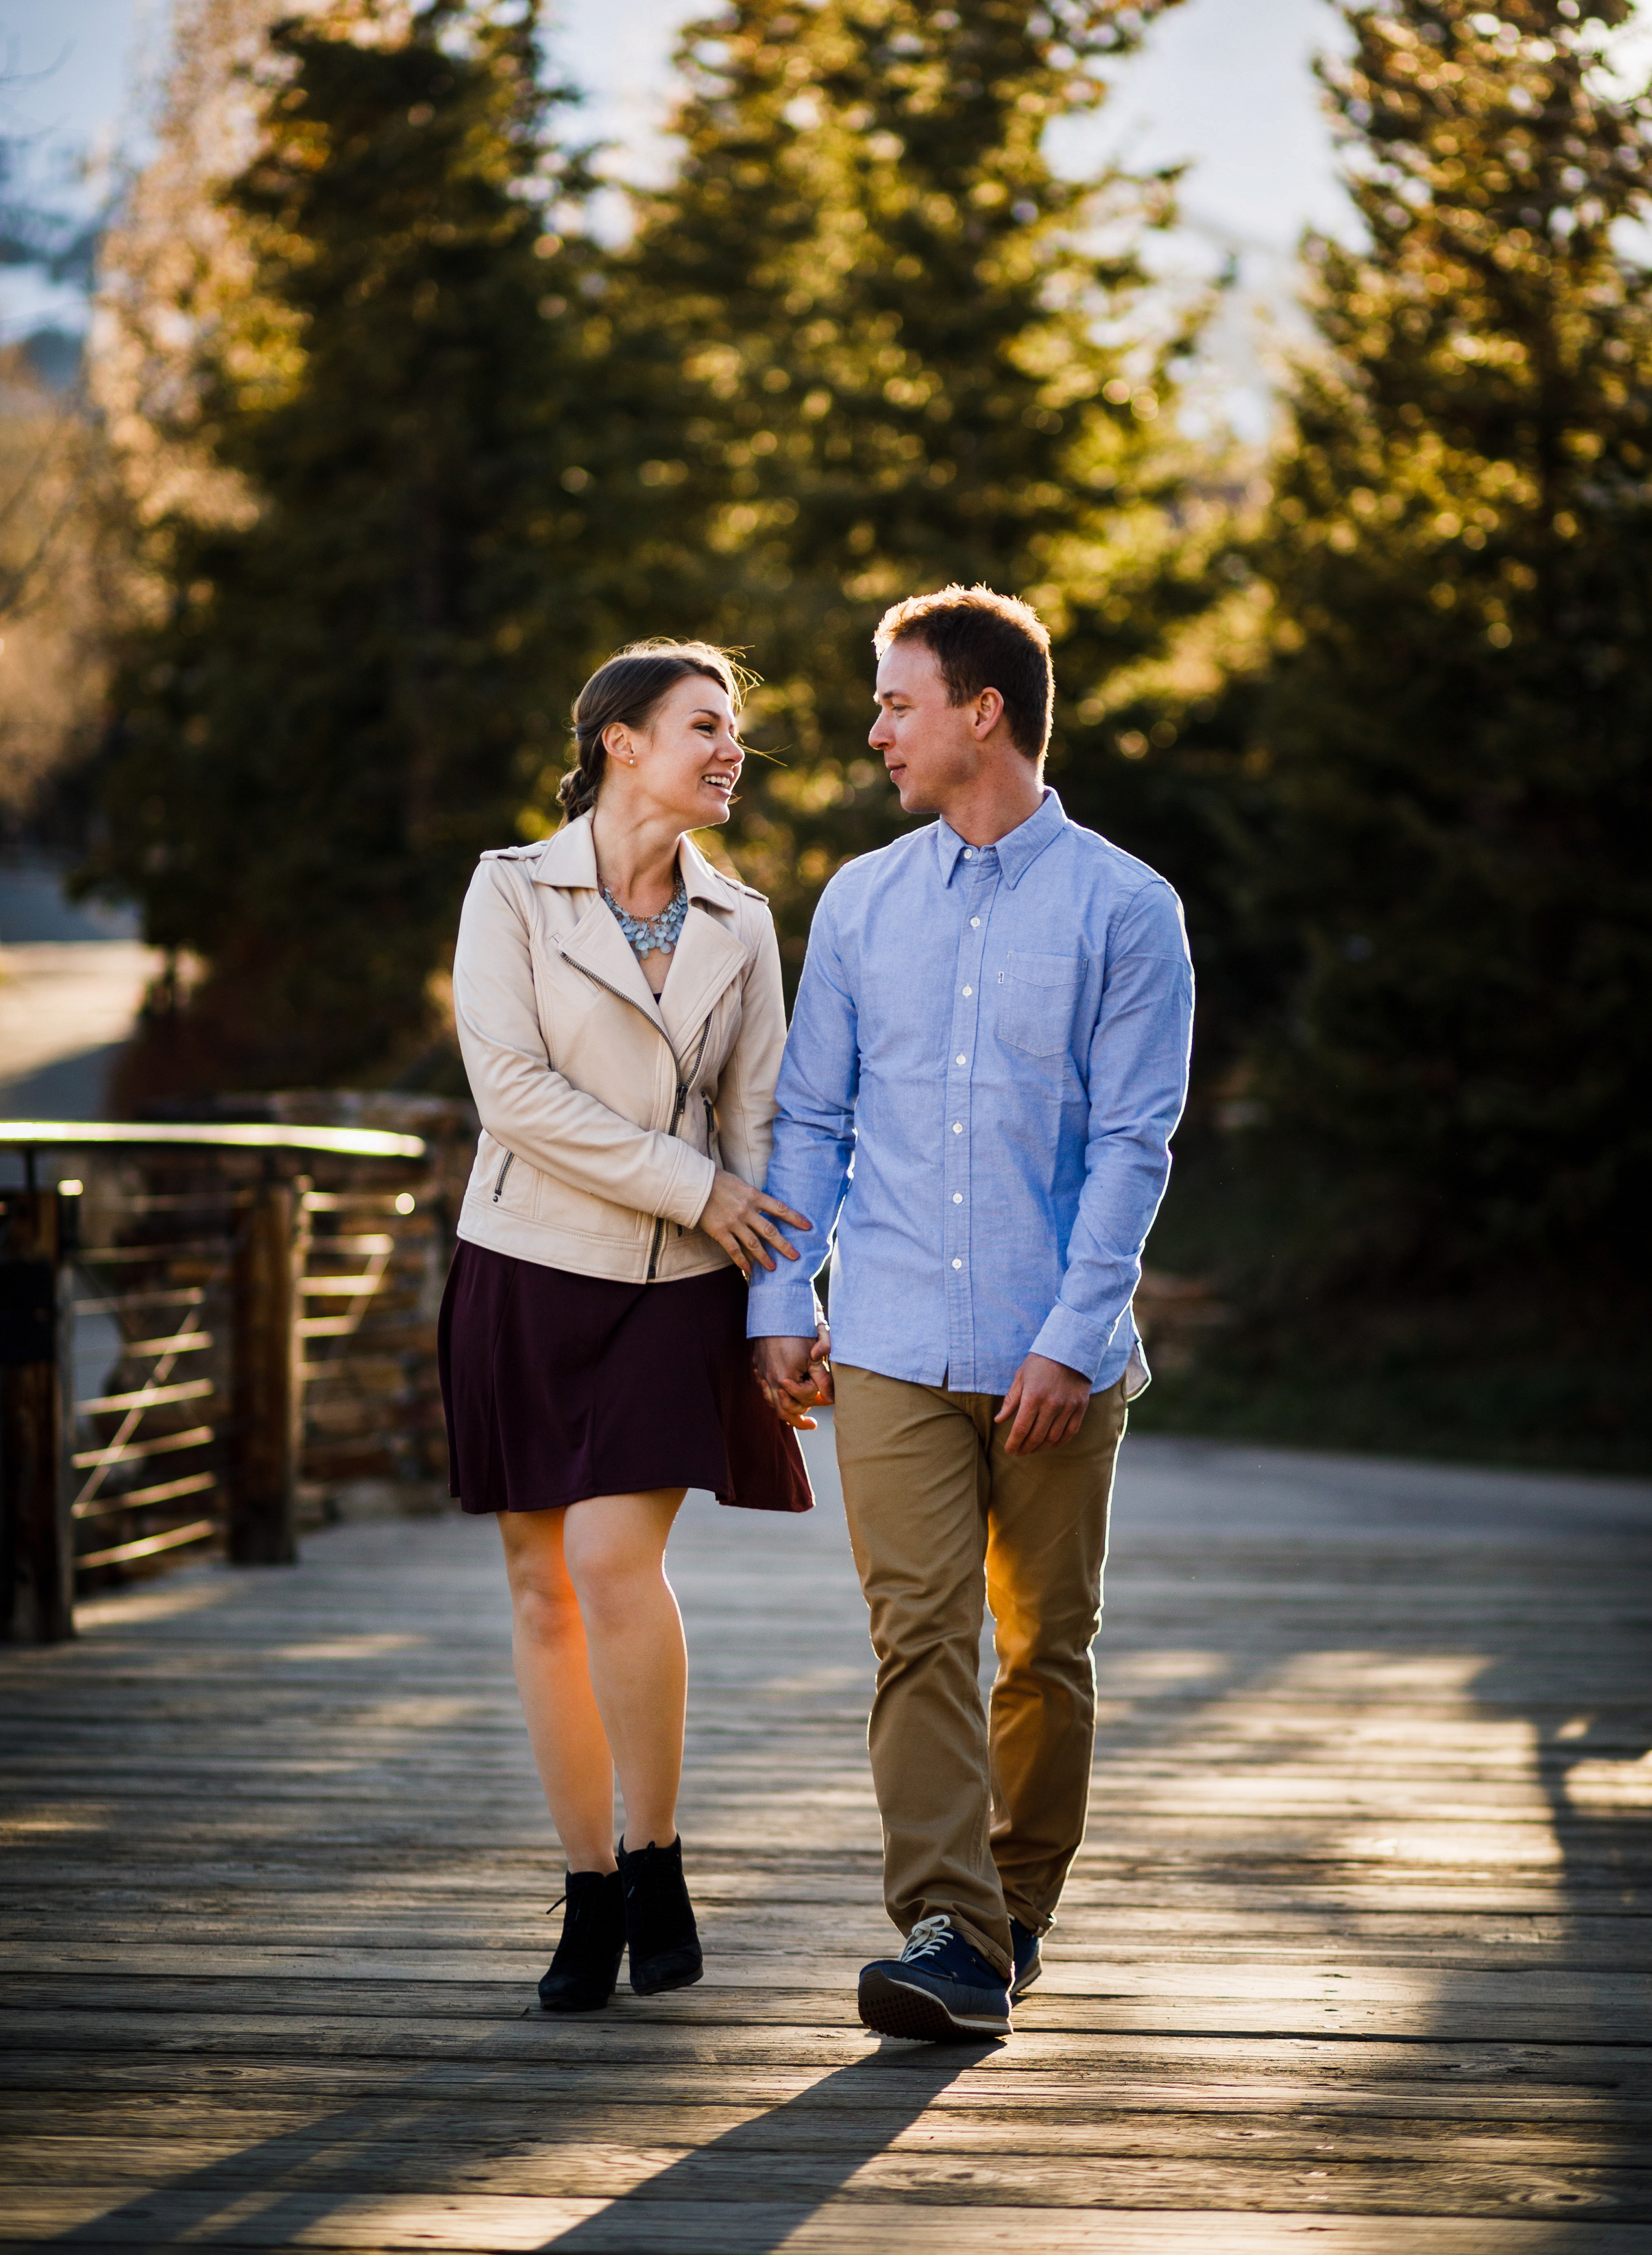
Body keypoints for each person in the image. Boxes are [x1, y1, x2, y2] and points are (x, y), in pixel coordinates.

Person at [750, 585, 1194, 2042]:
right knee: (917, 1634)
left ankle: (1015, 1908)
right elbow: (811, 1116)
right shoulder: (864, 902)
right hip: (882, 1336)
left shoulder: (1128, 909)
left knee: (1045, 1648)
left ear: (980, 711)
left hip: (1047, 1345)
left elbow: (1134, 1139)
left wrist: (1073, 1336)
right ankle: (945, 1925)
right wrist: (779, 1292)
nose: (874, 728)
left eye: (895, 700)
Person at [441, 640, 816, 2016]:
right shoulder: (509, 890)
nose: (731, 750)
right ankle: (589, 1884)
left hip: (678, 1285)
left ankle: (655, 1855)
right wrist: (699, 1183)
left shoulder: (746, 921)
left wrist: (785, 1301)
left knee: (610, 1558)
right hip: (526, 1265)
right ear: (618, 741)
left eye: (736, 729)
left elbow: (763, 1126)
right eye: (703, 726)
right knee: (539, 1586)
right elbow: (513, 1092)